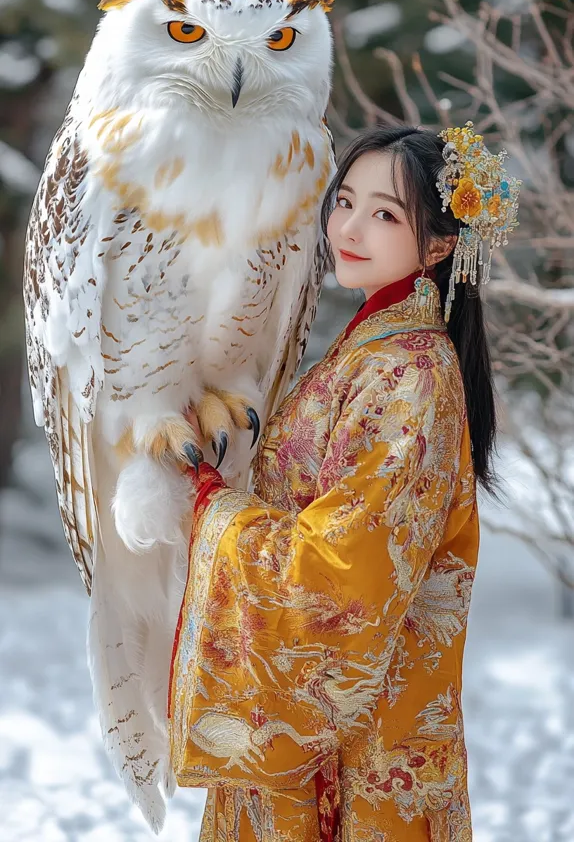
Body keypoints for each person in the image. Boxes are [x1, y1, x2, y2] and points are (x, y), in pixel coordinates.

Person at [168, 123, 520, 842]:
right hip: (339, 724)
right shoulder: (372, 352)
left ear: (440, 245)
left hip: (356, 749)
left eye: (385, 214)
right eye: (345, 201)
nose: (349, 228)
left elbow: (342, 575)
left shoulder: (411, 375)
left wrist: (216, 512)